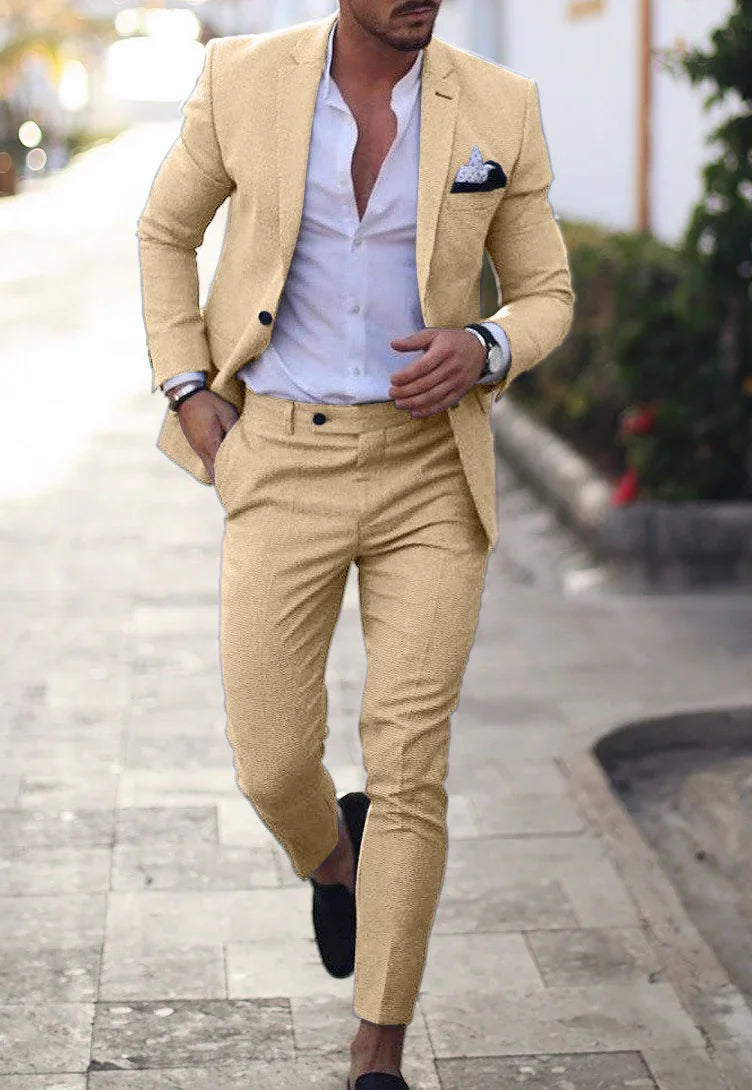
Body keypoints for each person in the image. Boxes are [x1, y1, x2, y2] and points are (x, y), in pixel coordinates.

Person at [136, 3, 574, 1087]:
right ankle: (336, 864)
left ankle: (376, 1053)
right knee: (272, 759)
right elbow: (163, 232)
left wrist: (482, 346)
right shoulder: (241, 80)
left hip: (430, 469)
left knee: (409, 764)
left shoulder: (498, 105)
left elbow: (546, 293)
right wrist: (191, 394)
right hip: (279, 456)